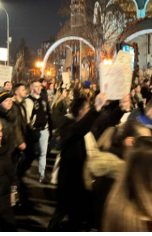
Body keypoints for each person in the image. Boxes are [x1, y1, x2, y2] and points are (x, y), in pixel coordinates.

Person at [47, 93, 107, 231]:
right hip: (69, 178)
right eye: (87, 108)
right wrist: (95, 110)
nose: (89, 110)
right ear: (81, 112)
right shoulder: (68, 125)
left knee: (79, 214)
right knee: (63, 211)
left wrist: (121, 109)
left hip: (81, 176)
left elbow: (104, 122)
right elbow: (79, 130)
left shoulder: (81, 124)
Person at [24, 79, 51, 183]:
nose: (39, 88)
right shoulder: (29, 100)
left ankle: (42, 174)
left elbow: (45, 115)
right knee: (30, 154)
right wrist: (30, 130)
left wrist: (47, 128)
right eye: (36, 86)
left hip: (44, 130)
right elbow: (27, 118)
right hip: (34, 131)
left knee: (43, 154)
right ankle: (22, 172)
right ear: (31, 88)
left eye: (40, 86)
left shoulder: (43, 100)